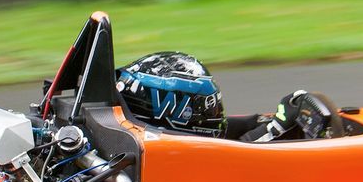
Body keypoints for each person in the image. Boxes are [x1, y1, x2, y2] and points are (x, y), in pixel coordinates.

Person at [116, 52, 343, 142]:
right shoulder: (169, 156)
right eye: (206, 106)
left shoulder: (123, 132)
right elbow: (230, 159)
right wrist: (276, 128)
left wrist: (263, 123)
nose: (214, 112)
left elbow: (226, 134)